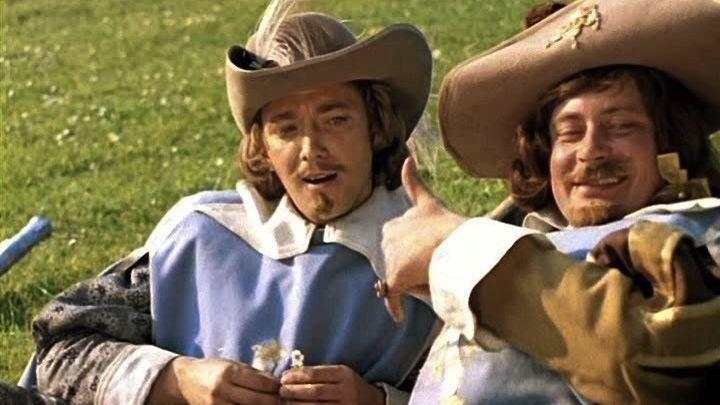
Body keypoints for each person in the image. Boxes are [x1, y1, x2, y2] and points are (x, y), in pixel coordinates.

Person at [17, 4, 438, 404]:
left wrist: (377, 400)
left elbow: (473, 390)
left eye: (336, 119)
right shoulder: (204, 235)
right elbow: (60, 353)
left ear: (375, 126)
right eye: (286, 128)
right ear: (263, 147)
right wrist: (176, 378)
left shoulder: (431, 262)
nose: (311, 149)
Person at [381, 0, 720, 403]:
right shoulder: (530, 241)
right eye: (569, 133)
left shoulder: (703, 237)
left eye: (621, 126)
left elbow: (648, 362)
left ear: (670, 143)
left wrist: (458, 249)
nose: (591, 151)